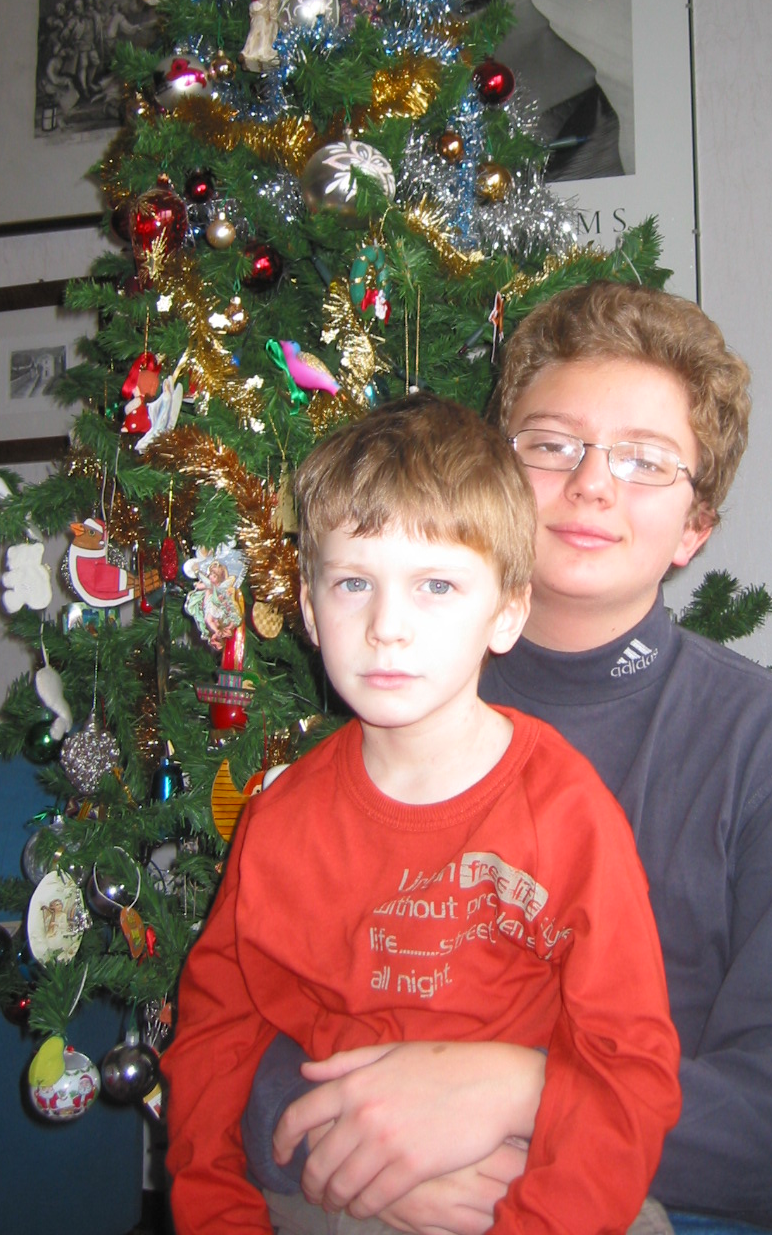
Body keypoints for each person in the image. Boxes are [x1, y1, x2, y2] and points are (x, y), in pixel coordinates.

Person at [242, 281, 772, 1235]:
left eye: (645, 461)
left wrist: (521, 1094)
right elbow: (249, 1021)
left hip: (676, 1197)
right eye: (551, 445)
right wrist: (366, 1141)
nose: (592, 485)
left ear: (696, 528)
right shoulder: (396, 696)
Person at [162, 393, 684, 1235]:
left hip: (538, 1185)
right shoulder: (280, 821)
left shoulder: (568, 812)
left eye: (436, 585)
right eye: (353, 584)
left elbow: (627, 1066)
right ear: (309, 609)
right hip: (328, 1186)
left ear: (506, 612)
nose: (387, 628)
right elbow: (213, 1043)